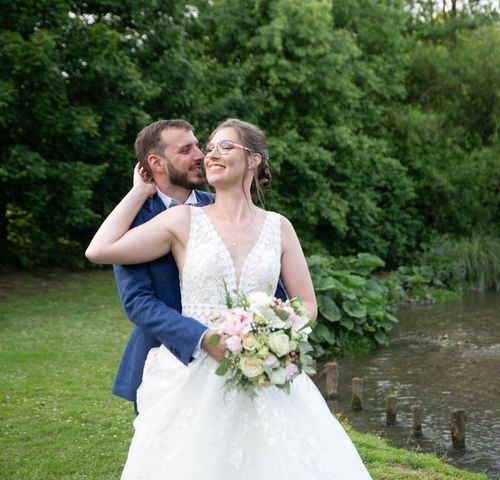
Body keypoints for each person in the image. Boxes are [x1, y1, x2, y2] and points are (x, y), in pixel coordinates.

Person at [86, 118, 372, 479]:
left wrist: (271, 336)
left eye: (222, 146)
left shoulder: (278, 226)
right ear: (157, 164)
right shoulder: (182, 219)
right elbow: (101, 252)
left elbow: (302, 304)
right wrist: (138, 193)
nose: (207, 154)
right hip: (189, 369)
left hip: (263, 368)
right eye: (207, 148)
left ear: (254, 159)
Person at [112, 119, 288, 411]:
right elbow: (138, 303)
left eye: (199, 146)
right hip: (162, 361)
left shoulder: (226, 206)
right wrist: (202, 338)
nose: (201, 155)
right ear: (156, 162)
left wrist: (266, 341)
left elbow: (271, 288)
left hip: (242, 358)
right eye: (186, 150)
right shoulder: (132, 219)